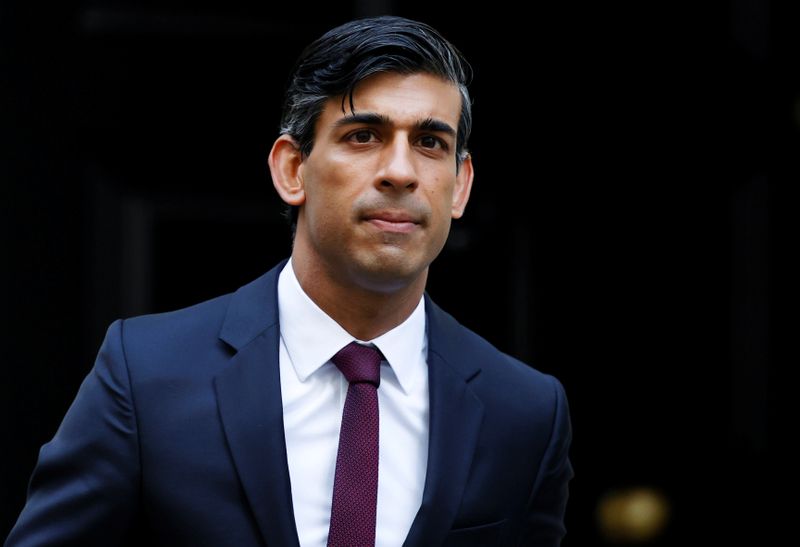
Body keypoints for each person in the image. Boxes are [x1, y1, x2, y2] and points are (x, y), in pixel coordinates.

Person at [5, 15, 573, 547]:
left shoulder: (524, 413)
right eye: (363, 135)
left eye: (431, 143)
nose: (400, 171)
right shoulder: (146, 376)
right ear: (291, 169)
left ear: (460, 186)